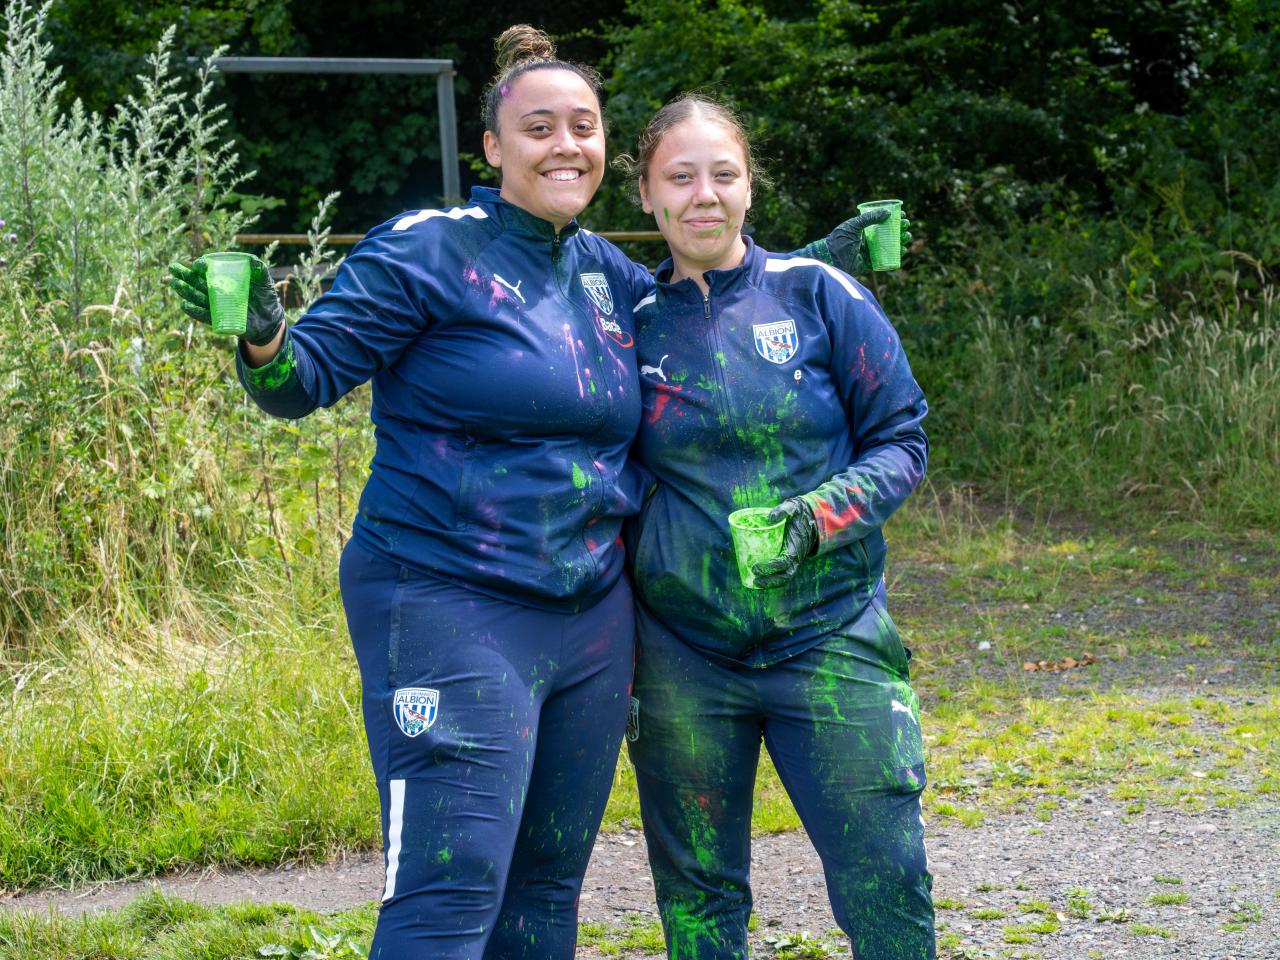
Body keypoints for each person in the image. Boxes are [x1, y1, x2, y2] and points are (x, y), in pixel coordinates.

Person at [168, 26, 900, 960]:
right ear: (494, 149)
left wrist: (811, 268)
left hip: (589, 622)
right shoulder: (425, 253)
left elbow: (706, 300)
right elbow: (298, 384)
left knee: (546, 892)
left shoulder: (604, 274)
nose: (565, 145)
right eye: (539, 127)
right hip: (448, 598)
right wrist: (265, 334)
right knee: (449, 885)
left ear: (605, 149)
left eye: (583, 127)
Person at [620, 94, 936, 959]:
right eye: (679, 178)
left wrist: (818, 518)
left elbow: (902, 438)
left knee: (886, 881)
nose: (703, 196)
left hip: (830, 639)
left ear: (750, 188)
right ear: (647, 194)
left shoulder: (822, 293)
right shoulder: (626, 329)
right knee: (697, 904)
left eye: (723, 175)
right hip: (684, 655)